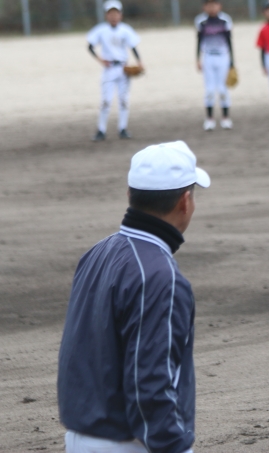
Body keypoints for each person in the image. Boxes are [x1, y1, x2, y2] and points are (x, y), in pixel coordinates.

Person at [57, 141, 211, 453]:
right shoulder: (161, 276)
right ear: (185, 202)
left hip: (79, 438)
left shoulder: (97, 253)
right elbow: (151, 385)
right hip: (129, 444)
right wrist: (176, 446)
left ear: (130, 194)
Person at [87, 0, 143, 141]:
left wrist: (139, 62)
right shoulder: (101, 30)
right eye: (110, 13)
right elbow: (90, 46)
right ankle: (101, 130)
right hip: (109, 69)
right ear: (106, 15)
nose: (113, 16)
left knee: (124, 100)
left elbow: (133, 47)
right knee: (106, 100)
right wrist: (100, 60)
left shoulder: (125, 29)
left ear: (121, 15)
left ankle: (123, 128)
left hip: (123, 68)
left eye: (116, 13)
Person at [195, 0, 235, 131]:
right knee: (210, 90)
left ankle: (225, 118)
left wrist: (232, 61)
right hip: (208, 57)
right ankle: (209, 119)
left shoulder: (225, 20)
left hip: (223, 56)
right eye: (209, 5)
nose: (212, 7)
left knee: (223, 89)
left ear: (220, 6)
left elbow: (229, 41)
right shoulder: (201, 21)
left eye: (214, 4)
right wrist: (197, 59)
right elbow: (199, 41)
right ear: (204, 7)